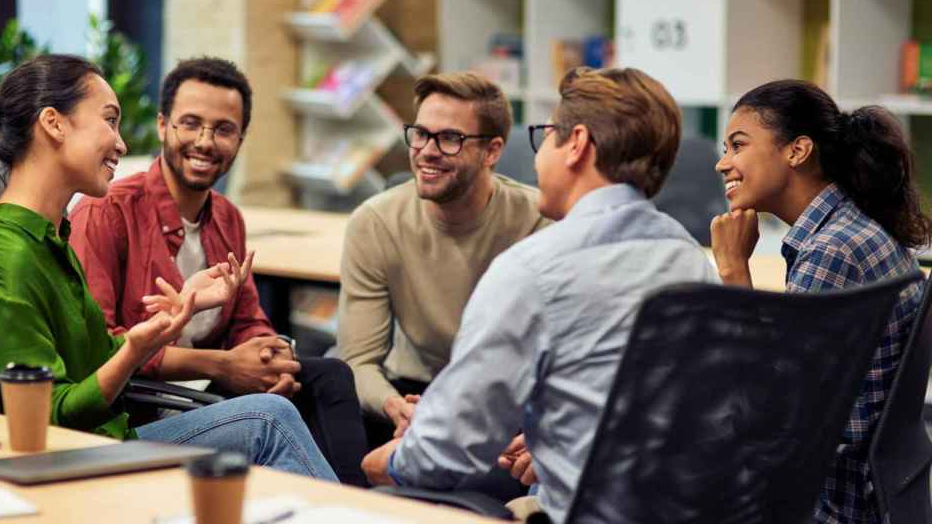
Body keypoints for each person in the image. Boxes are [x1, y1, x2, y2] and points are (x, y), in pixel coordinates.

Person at [0, 54, 336, 481]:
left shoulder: (47, 238)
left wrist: (171, 318)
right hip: (80, 456)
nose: (122, 144)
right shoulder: (9, 259)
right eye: (110, 121)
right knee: (270, 418)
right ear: (54, 123)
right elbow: (50, 418)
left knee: (307, 389)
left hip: (111, 436)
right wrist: (136, 349)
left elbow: (93, 359)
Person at [360, 67, 718, 522]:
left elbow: (449, 448)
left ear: (577, 144)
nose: (534, 158)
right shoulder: (691, 262)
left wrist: (387, 462)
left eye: (546, 136)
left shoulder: (534, 270)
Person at [68, 57, 368, 486]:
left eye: (224, 129)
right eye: (190, 123)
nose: (205, 142)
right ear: (162, 127)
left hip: (204, 392)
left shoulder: (227, 218)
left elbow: (248, 321)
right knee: (277, 414)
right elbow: (103, 348)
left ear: (240, 139)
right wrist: (226, 365)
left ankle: (363, 503)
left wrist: (269, 361)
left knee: (330, 374)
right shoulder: (106, 212)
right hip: (137, 408)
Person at [709, 79, 930, 524]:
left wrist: (734, 270)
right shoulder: (849, 229)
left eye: (738, 145)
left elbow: (769, 417)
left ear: (797, 151)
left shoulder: (832, 250)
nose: (722, 163)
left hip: (827, 506)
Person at [337, 71, 549, 447]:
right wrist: (393, 406)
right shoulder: (375, 223)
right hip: (413, 393)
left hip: (507, 404)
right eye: (420, 134)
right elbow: (359, 362)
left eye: (450, 138)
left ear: (493, 151)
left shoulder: (539, 220)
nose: (427, 151)